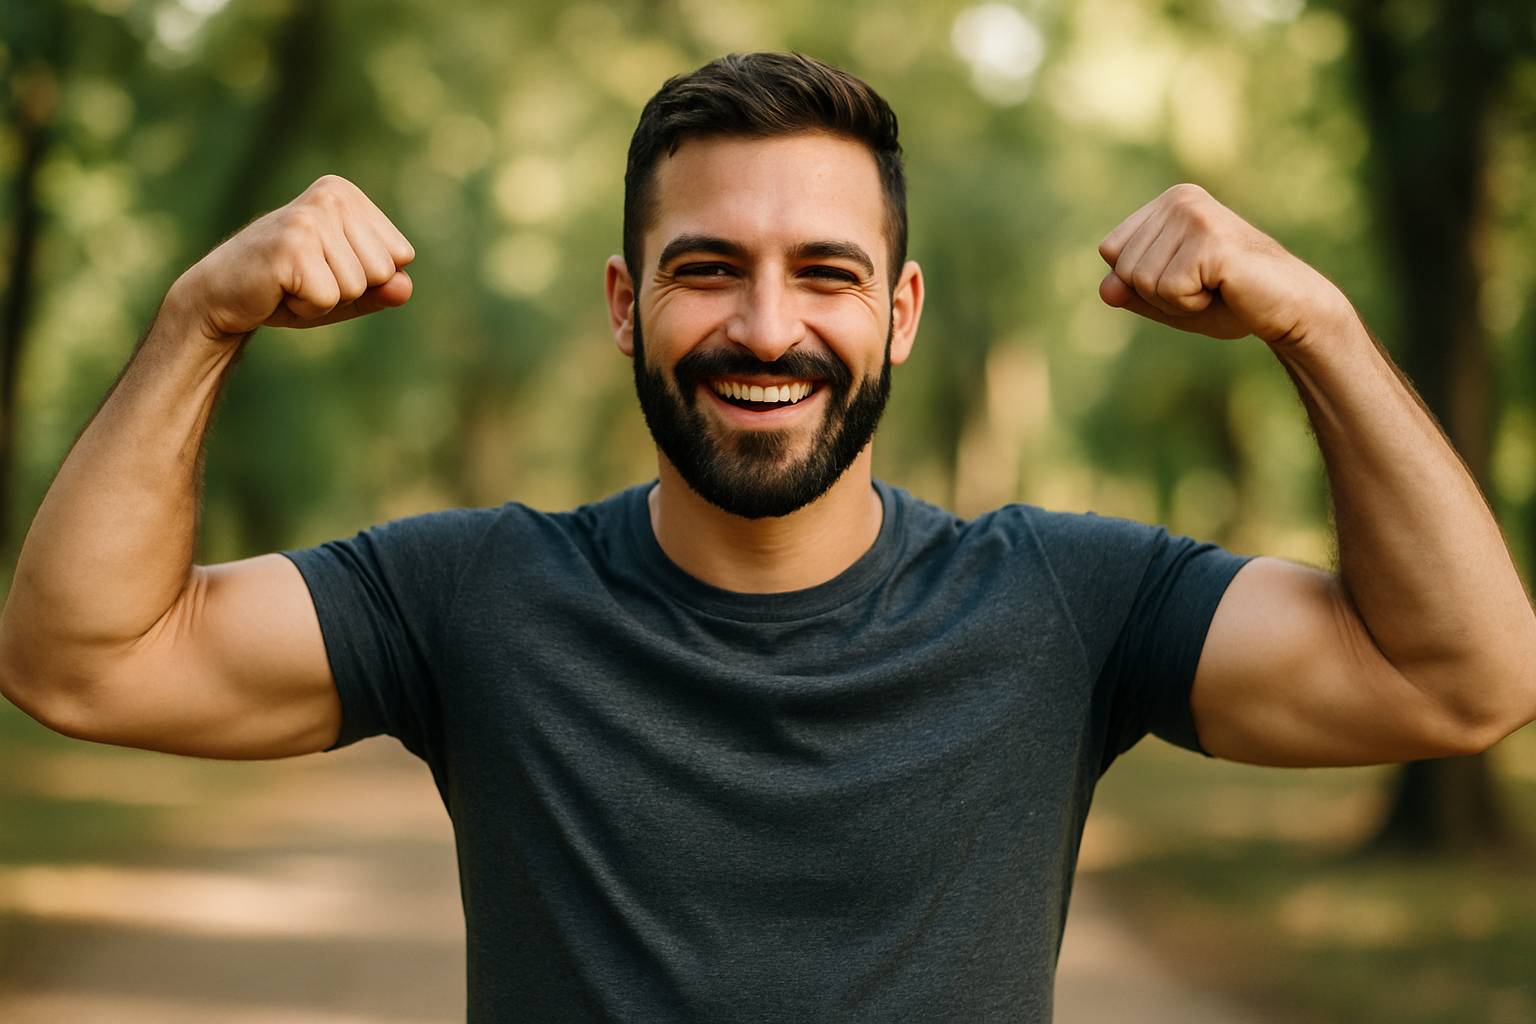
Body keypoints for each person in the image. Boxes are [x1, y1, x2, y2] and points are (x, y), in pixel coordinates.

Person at [1, 50, 1533, 1023]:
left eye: (826, 273)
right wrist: (201, 318)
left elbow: (1466, 679)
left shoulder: (1067, 603)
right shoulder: (475, 597)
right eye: (708, 267)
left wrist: (1316, 324)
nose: (766, 326)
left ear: (900, 313)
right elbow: (83, 663)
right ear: (625, 304)